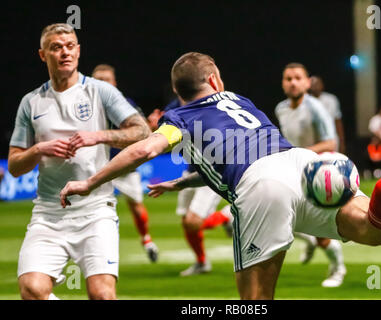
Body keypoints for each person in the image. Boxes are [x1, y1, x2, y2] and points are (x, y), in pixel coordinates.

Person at [59, 52, 381, 300]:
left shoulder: (178, 118)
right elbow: (232, 155)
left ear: (180, 91)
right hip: (300, 163)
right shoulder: (238, 100)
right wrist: (182, 182)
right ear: (214, 80)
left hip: (260, 187)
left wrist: (89, 182)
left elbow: (143, 149)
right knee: (375, 230)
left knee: (254, 303)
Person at [8, 23, 150, 300]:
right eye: (56, 47)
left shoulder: (100, 92)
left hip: (96, 210)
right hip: (48, 215)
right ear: (42, 55)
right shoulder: (31, 102)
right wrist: (39, 149)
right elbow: (14, 166)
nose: (65, 53)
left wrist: (97, 136)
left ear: (79, 51)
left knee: (102, 295)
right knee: (32, 290)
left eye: (70, 46)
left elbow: (142, 131)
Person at [274, 63, 346, 288]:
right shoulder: (280, 109)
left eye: (298, 78)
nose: (293, 82)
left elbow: (331, 142)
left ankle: (338, 269)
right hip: (293, 169)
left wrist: (298, 154)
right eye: (288, 78)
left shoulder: (315, 107)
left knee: (319, 227)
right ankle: (312, 242)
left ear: (307, 82)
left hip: (318, 172)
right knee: (281, 216)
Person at [148, 100, 233, 276]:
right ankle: (202, 262)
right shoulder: (174, 107)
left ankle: (226, 216)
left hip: (211, 171)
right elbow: (162, 140)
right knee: (187, 223)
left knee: (193, 222)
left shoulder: (216, 103)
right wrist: (153, 128)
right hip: (190, 170)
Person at [92, 64, 158, 262]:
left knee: (136, 206)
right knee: (96, 210)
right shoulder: (83, 106)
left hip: (125, 165)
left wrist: (150, 125)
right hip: (96, 167)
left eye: (107, 80)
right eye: (98, 80)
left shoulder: (124, 103)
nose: (103, 84)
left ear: (114, 83)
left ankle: (146, 240)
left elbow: (142, 129)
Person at [309, 75, 346, 154]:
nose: (315, 86)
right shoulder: (306, 102)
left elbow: (338, 121)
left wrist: (342, 142)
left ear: (322, 85)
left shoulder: (332, 99)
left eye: (317, 84)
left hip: (331, 139)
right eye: (313, 84)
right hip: (314, 143)